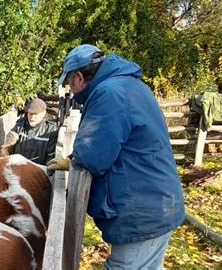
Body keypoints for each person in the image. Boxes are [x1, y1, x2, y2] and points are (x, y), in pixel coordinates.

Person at [47, 44, 184, 269]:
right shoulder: (129, 84)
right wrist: (72, 160)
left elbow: (94, 154)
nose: (71, 90)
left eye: (69, 83)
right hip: (155, 200)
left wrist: (78, 158)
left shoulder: (109, 93)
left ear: (79, 77)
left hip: (141, 211)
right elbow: (114, 140)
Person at [0, 98, 58, 165]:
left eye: (35, 114)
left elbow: (51, 157)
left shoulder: (51, 130)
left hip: (39, 170)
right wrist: (8, 161)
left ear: (43, 114)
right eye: (30, 114)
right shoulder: (19, 126)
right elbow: (6, 147)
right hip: (17, 167)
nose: (32, 117)